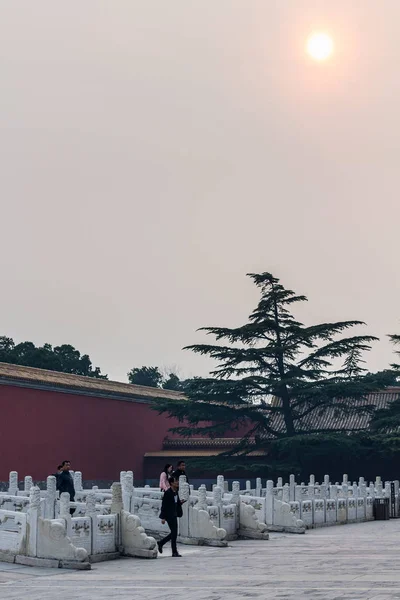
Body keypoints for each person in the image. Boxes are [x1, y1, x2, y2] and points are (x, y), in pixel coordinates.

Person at [157, 476, 186, 557]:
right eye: (175, 481)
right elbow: (164, 505)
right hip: (169, 515)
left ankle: (161, 543)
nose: (177, 482)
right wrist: (163, 517)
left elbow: (175, 502)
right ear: (171, 483)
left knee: (174, 533)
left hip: (174, 514)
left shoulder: (175, 492)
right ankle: (174, 551)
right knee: (174, 533)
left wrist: (180, 502)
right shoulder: (168, 492)